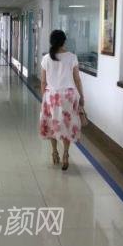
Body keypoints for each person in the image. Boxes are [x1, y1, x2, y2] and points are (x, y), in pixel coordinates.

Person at [40, 29, 85, 171]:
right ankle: (66, 153)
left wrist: (44, 97)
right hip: (68, 96)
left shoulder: (46, 58)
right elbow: (77, 79)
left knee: (52, 123)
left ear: (51, 41)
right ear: (64, 41)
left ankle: (54, 152)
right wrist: (82, 97)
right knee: (67, 125)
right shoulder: (72, 57)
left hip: (52, 96)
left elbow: (43, 81)